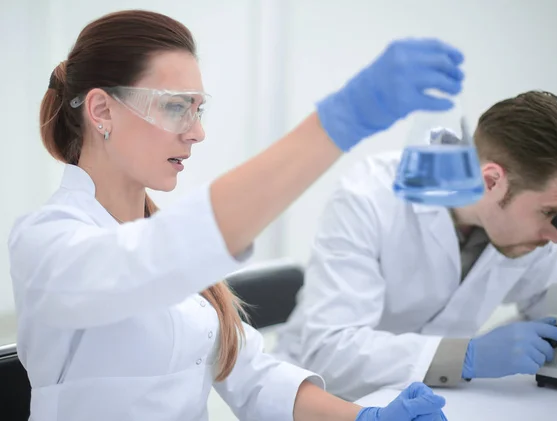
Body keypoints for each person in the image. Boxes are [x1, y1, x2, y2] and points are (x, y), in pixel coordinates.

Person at [7, 9, 467, 421]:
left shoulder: (174, 259)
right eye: (175, 106)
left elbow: (255, 376)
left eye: (198, 108)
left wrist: (363, 418)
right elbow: (143, 261)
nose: (198, 132)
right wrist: (339, 122)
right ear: (102, 110)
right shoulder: (47, 243)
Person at [273, 90, 557, 401]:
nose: (556, 235)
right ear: (492, 182)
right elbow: (331, 351)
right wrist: (466, 355)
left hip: (435, 401)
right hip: (323, 399)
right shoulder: (369, 196)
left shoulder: (529, 233)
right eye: (551, 214)